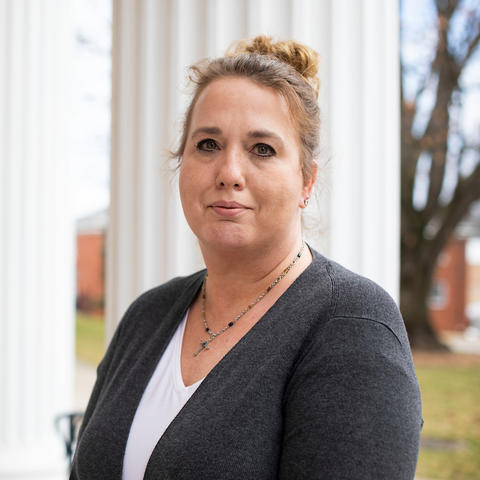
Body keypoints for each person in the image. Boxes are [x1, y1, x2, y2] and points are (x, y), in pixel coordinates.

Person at [70, 36, 422, 480]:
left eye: (262, 150)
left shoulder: (351, 325)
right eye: (208, 144)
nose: (229, 173)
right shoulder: (148, 315)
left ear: (306, 181)